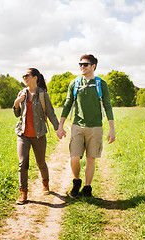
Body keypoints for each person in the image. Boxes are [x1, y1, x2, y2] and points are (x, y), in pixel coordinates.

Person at [56, 54, 115, 198]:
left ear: (93, 66)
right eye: (80, 64)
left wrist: (112, 129)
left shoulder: (101, 84)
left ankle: (87, 188)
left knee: (90, 159)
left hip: (95, 127)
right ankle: (77, 181)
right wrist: (61, 125)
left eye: (85, 64)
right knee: (74, 157)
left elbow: (107, 105)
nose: (82, 67)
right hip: (77, 126)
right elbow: (68, 104)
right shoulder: (75, 83)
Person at [13, 68, 59, 205]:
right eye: (23, 76)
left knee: (41, 163)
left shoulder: (43, 95)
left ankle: (45, 184)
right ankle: (23, 193)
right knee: (23, 163)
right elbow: (17, 114)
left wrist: (58, 128)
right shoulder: (22, 93)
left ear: (35, 78)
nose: (24, 77)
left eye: (27, 75)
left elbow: (50, 113)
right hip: (23, 134)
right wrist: (16, 103)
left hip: (39, 135)